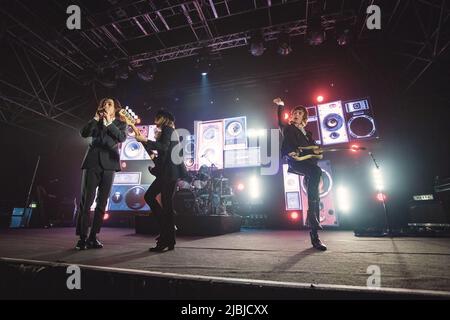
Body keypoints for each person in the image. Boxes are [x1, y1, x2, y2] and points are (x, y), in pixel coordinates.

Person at [274, 98, 327, 251]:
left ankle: (315, 237)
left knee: (315, 195)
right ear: (291, 116)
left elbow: (315, 151)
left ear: (304, 117)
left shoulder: (308, 134)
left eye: (300, 113)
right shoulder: (288, 129)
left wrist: (317, 151)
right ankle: (312, 215)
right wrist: (281, 106)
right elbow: (279, 122)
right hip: (296, 162)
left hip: (310, 165)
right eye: (295, 113)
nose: (297, 114)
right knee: (316, 172)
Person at [76, 98, 127, 250]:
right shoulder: (95, 122)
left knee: (102, 203)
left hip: (109, 166)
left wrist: (109, 123)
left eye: (109, 104)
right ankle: (82, 237)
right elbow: (83, 133)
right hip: (92, 164)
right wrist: (96, 118)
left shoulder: (120, 123)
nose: (106, 105)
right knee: (86, 202)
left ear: (115, 109)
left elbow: (121, 137)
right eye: (104, 104)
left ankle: (93, 236)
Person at [135, 109, 188, 252]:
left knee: (154, 199)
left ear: (164, 118)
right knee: (164, 204)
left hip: (168, 174)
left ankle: (167, 232)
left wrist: (145, 140)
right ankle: (169, 236)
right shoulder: (170, 131)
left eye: (157, 117)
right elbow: (163, 154)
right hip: (169, 173)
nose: (155, 120)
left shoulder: (168, 129)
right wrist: (144, 143)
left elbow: (163, 147)